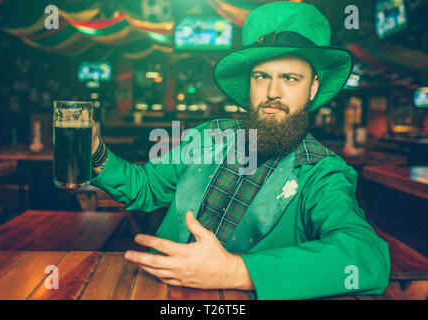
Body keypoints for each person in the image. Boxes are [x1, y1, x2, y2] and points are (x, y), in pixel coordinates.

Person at [90, 2, 390, 300]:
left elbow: (365, 256)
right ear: (249, 84)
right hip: (158, 292)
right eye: (262, 77)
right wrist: (95, 152)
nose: (273, 92)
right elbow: (142, 188)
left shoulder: (321, 172)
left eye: (290, 78)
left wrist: (237, 271)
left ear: (311, 88)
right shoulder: (206, 136)